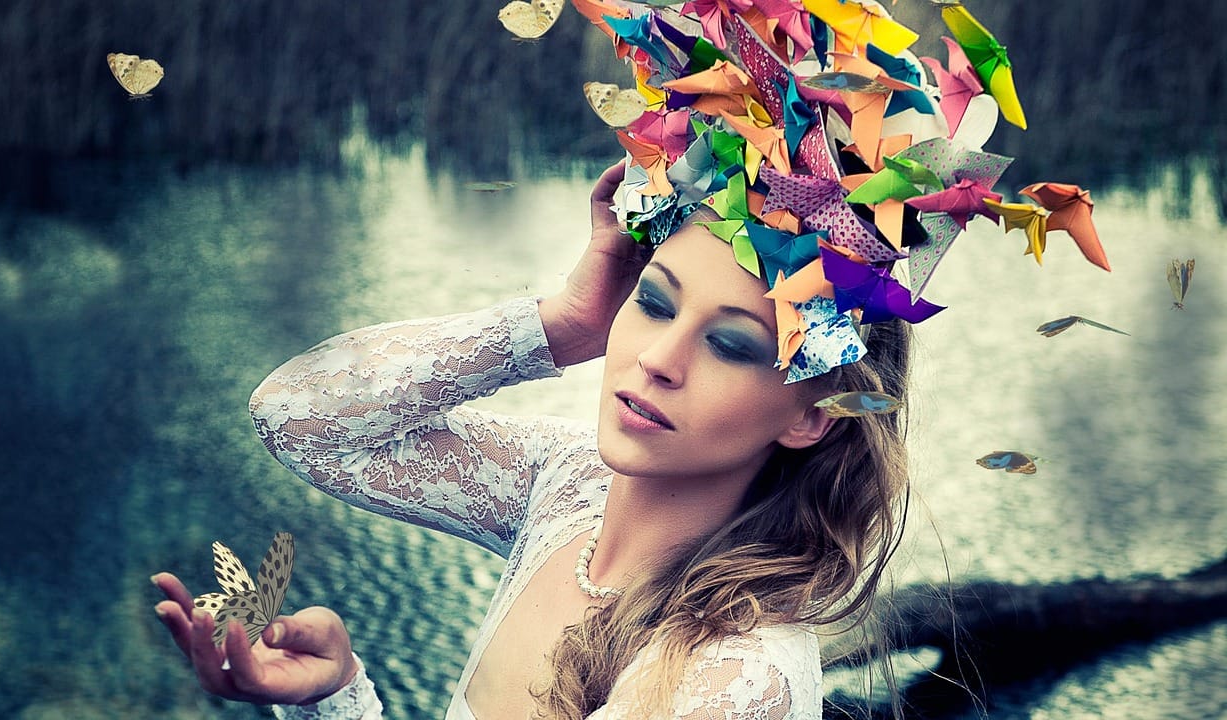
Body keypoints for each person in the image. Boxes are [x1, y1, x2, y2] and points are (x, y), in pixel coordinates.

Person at [155, 1, 1065, 717]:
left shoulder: (729, 677)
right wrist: (563, 322)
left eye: (732, 344)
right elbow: (301, 418)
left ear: (810, 414)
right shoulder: (569, 491)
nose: (658, 358)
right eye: (655, 302)